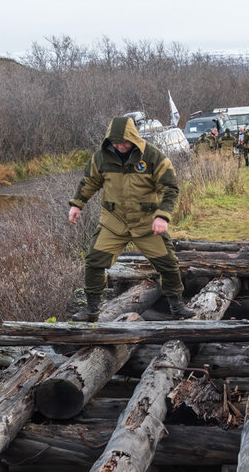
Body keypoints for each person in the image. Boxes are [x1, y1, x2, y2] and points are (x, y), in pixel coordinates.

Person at [68, 115, 195, 320]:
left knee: (168, 263)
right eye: (116, 143)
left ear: (133, 138)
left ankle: (177, 308)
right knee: (94, 260)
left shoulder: (153, 156)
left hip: (146, 222)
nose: (120, 146)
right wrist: (77, 204)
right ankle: (91, 310)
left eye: (124, 142)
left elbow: (169, 187)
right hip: (114, 221)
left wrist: (162, 216)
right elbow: (90, 181)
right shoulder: (101, 157)